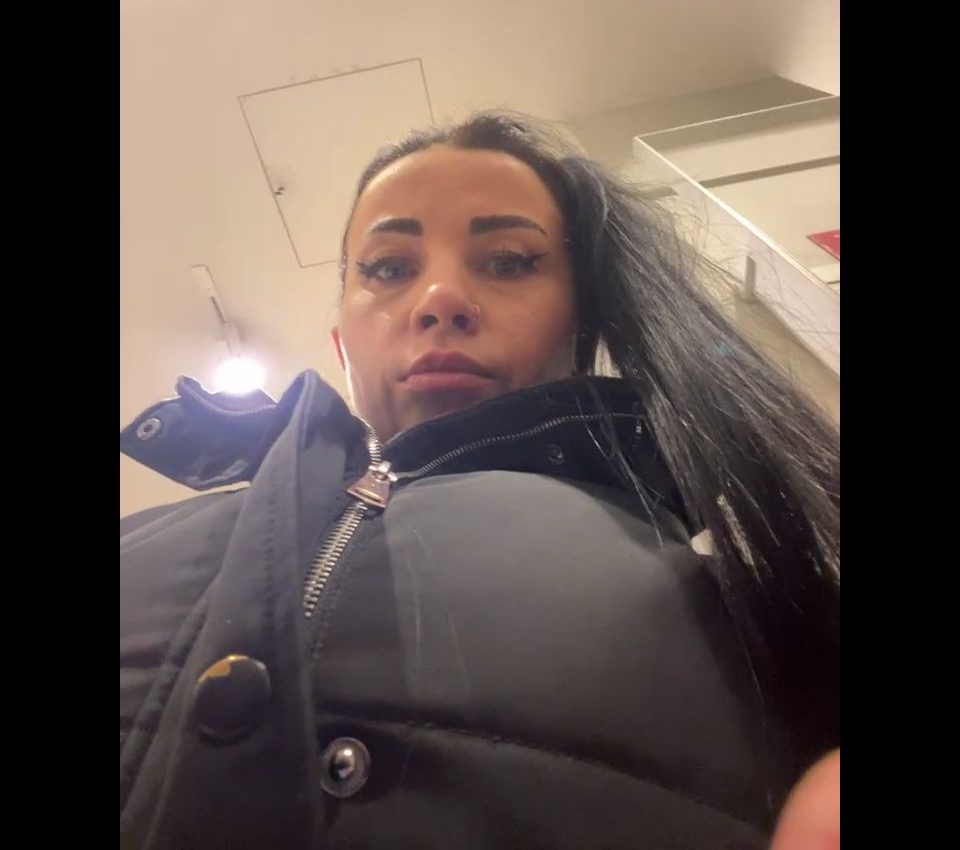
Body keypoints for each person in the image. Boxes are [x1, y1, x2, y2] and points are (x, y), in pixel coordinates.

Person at [120, 112, 840, 849]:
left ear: (581, 325)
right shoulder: (140, 543)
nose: (440, 298)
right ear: (342, 341)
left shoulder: (750, 612)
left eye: (508, 262)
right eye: (389, 268)